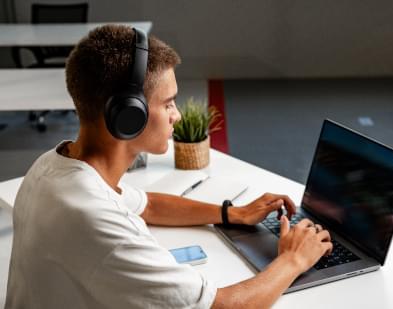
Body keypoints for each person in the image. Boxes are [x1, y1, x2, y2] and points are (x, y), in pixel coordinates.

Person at [5, 24, 332, 309]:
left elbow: (148, 205)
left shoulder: (55, 165)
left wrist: (231, 213)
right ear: (128, 116)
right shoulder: (95, 218)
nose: (176, 115)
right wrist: (293, 259)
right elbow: (225, 307)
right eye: (168, 103)